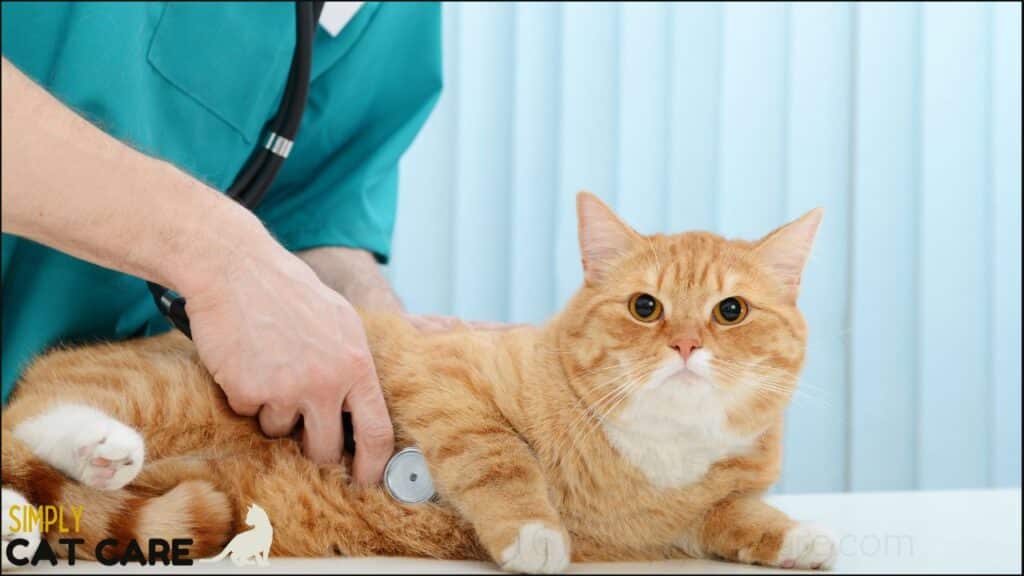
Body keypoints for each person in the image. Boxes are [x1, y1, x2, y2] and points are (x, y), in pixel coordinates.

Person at [1, 2, 455, 487]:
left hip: (85, 454)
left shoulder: (389, 14)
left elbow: (315, 204)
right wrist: (214, 251)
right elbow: (240, 260)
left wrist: (380, 339)